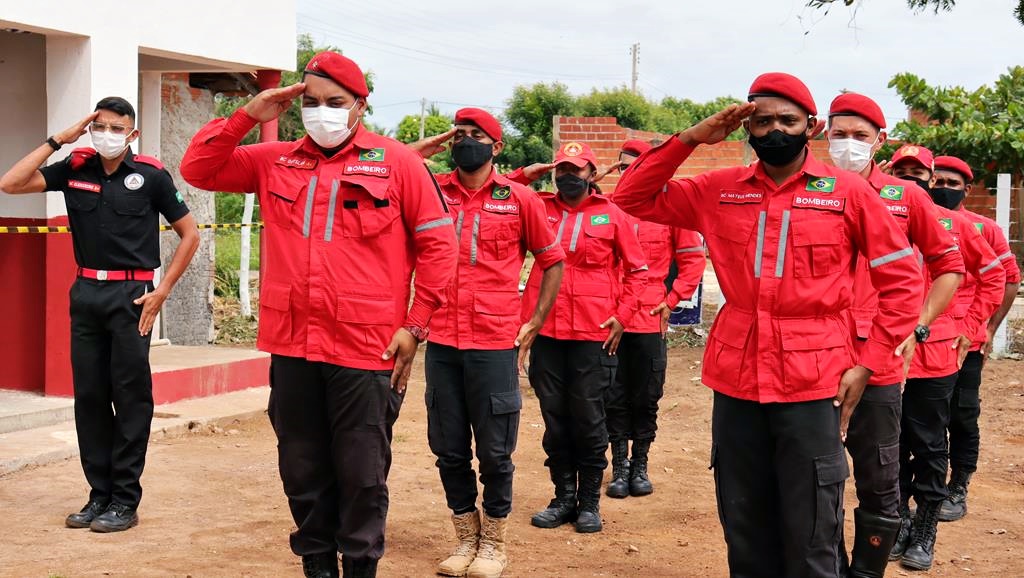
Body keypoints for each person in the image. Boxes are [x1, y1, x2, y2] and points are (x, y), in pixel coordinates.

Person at [614, 72, 924, 577]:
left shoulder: (847, 193)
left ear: (811, 126)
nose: (775, 130)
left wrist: (869, 362)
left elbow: (903, 283)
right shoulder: (718, 190)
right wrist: (690, 138)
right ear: (746, 129)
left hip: (814, 378)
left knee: (811, 529)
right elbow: (629, 198)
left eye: (788, 120)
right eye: (762, 122)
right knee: (744, 521)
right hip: (736, 377)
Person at [179, 52, 458, 578]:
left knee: (361, 471)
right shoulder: (275, 159)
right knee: (301, 464)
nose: (322, 112)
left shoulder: (398, 163)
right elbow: (199, 169)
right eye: (311, 102)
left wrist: (415, 325)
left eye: (335, 103)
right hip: (292, 343)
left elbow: (440, 249)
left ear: (359, 106)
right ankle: (316, 565)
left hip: (367, 346)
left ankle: (358, 566)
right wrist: (248, 113)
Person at [0, 97, 199, 533]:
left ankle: (125, 500)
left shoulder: (150, 176)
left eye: (116, 128)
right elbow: (10, 184)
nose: (107, 134)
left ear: (132, 135)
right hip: (86, 291)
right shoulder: (76, 168)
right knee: (89, 398)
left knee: (129, 398)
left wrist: (161, 291)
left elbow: (190, 234)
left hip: (133, 295)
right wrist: (58, 140)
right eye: (100, 126)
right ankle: (99, 495)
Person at [408, 108, 564, 578]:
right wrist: (429, 145)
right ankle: (464, 540)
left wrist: (533, 322)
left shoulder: (519, 199)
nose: (466, 143)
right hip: (442, 340)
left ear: (497, 148)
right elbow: (394, 166)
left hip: (495, 342)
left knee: (495, 451)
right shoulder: (431, 192)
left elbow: (551, 260)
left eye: (477, 136)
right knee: (449, 447)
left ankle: (493, 543)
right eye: (460, 135)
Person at [825, 93, 965, 578]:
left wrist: (918, 325)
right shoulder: (810, 191)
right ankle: (829, 567)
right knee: (816, 476)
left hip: (879, 356)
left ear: (878, 140)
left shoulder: (906, 197)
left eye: (859, 136)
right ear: (823, 133)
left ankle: (866, 571)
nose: (848, 145)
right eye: (839, 134)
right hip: (815, 354)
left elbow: (949, 266)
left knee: (880, 475)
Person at [520, 141, 648, 534]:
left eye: (576, 170)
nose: (567, 177)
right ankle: (562, 497)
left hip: (594, 335)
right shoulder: (538, 209)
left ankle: (590, 502)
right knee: (555, 420)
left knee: (590, 420)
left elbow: (639, 272)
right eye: (561, 169)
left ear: (593, 174)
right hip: (548, 332)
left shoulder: (613, 216)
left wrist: (623, 317)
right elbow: (495, 190)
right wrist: (530, 173)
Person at [887, 145, 1005, 571]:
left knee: (930, 442)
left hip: (935, 354)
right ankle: (898, 520)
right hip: (884, 352)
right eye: (901, 171)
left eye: (919, 172)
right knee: (891, 444)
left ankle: (926, 527)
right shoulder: (874, 216)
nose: (911, 179)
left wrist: (971, 328)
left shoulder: (955, 225)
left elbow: (994, 278)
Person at [604, 139, 706, 499]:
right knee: (613, 394)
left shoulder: (667, 209)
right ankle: (618, 465)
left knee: (646, 395)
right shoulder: (607, 208)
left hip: (649, 318)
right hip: (612, 318)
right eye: (622, 166)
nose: (627, 172)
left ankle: (640, 464)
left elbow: (693, 260)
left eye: (635, 165)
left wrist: (672, 300)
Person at [929, 155, 1021, 523]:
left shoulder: (982, 228)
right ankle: (922, 486)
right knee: (921, 417)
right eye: (938, 181)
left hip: (964, 337)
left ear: (967, 190)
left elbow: (1008, 279)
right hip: (922, 335)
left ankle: (959, 484)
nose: (943, 189)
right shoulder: (913, 221)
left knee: (962, 414)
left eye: (953, 184)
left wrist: (990, 329)